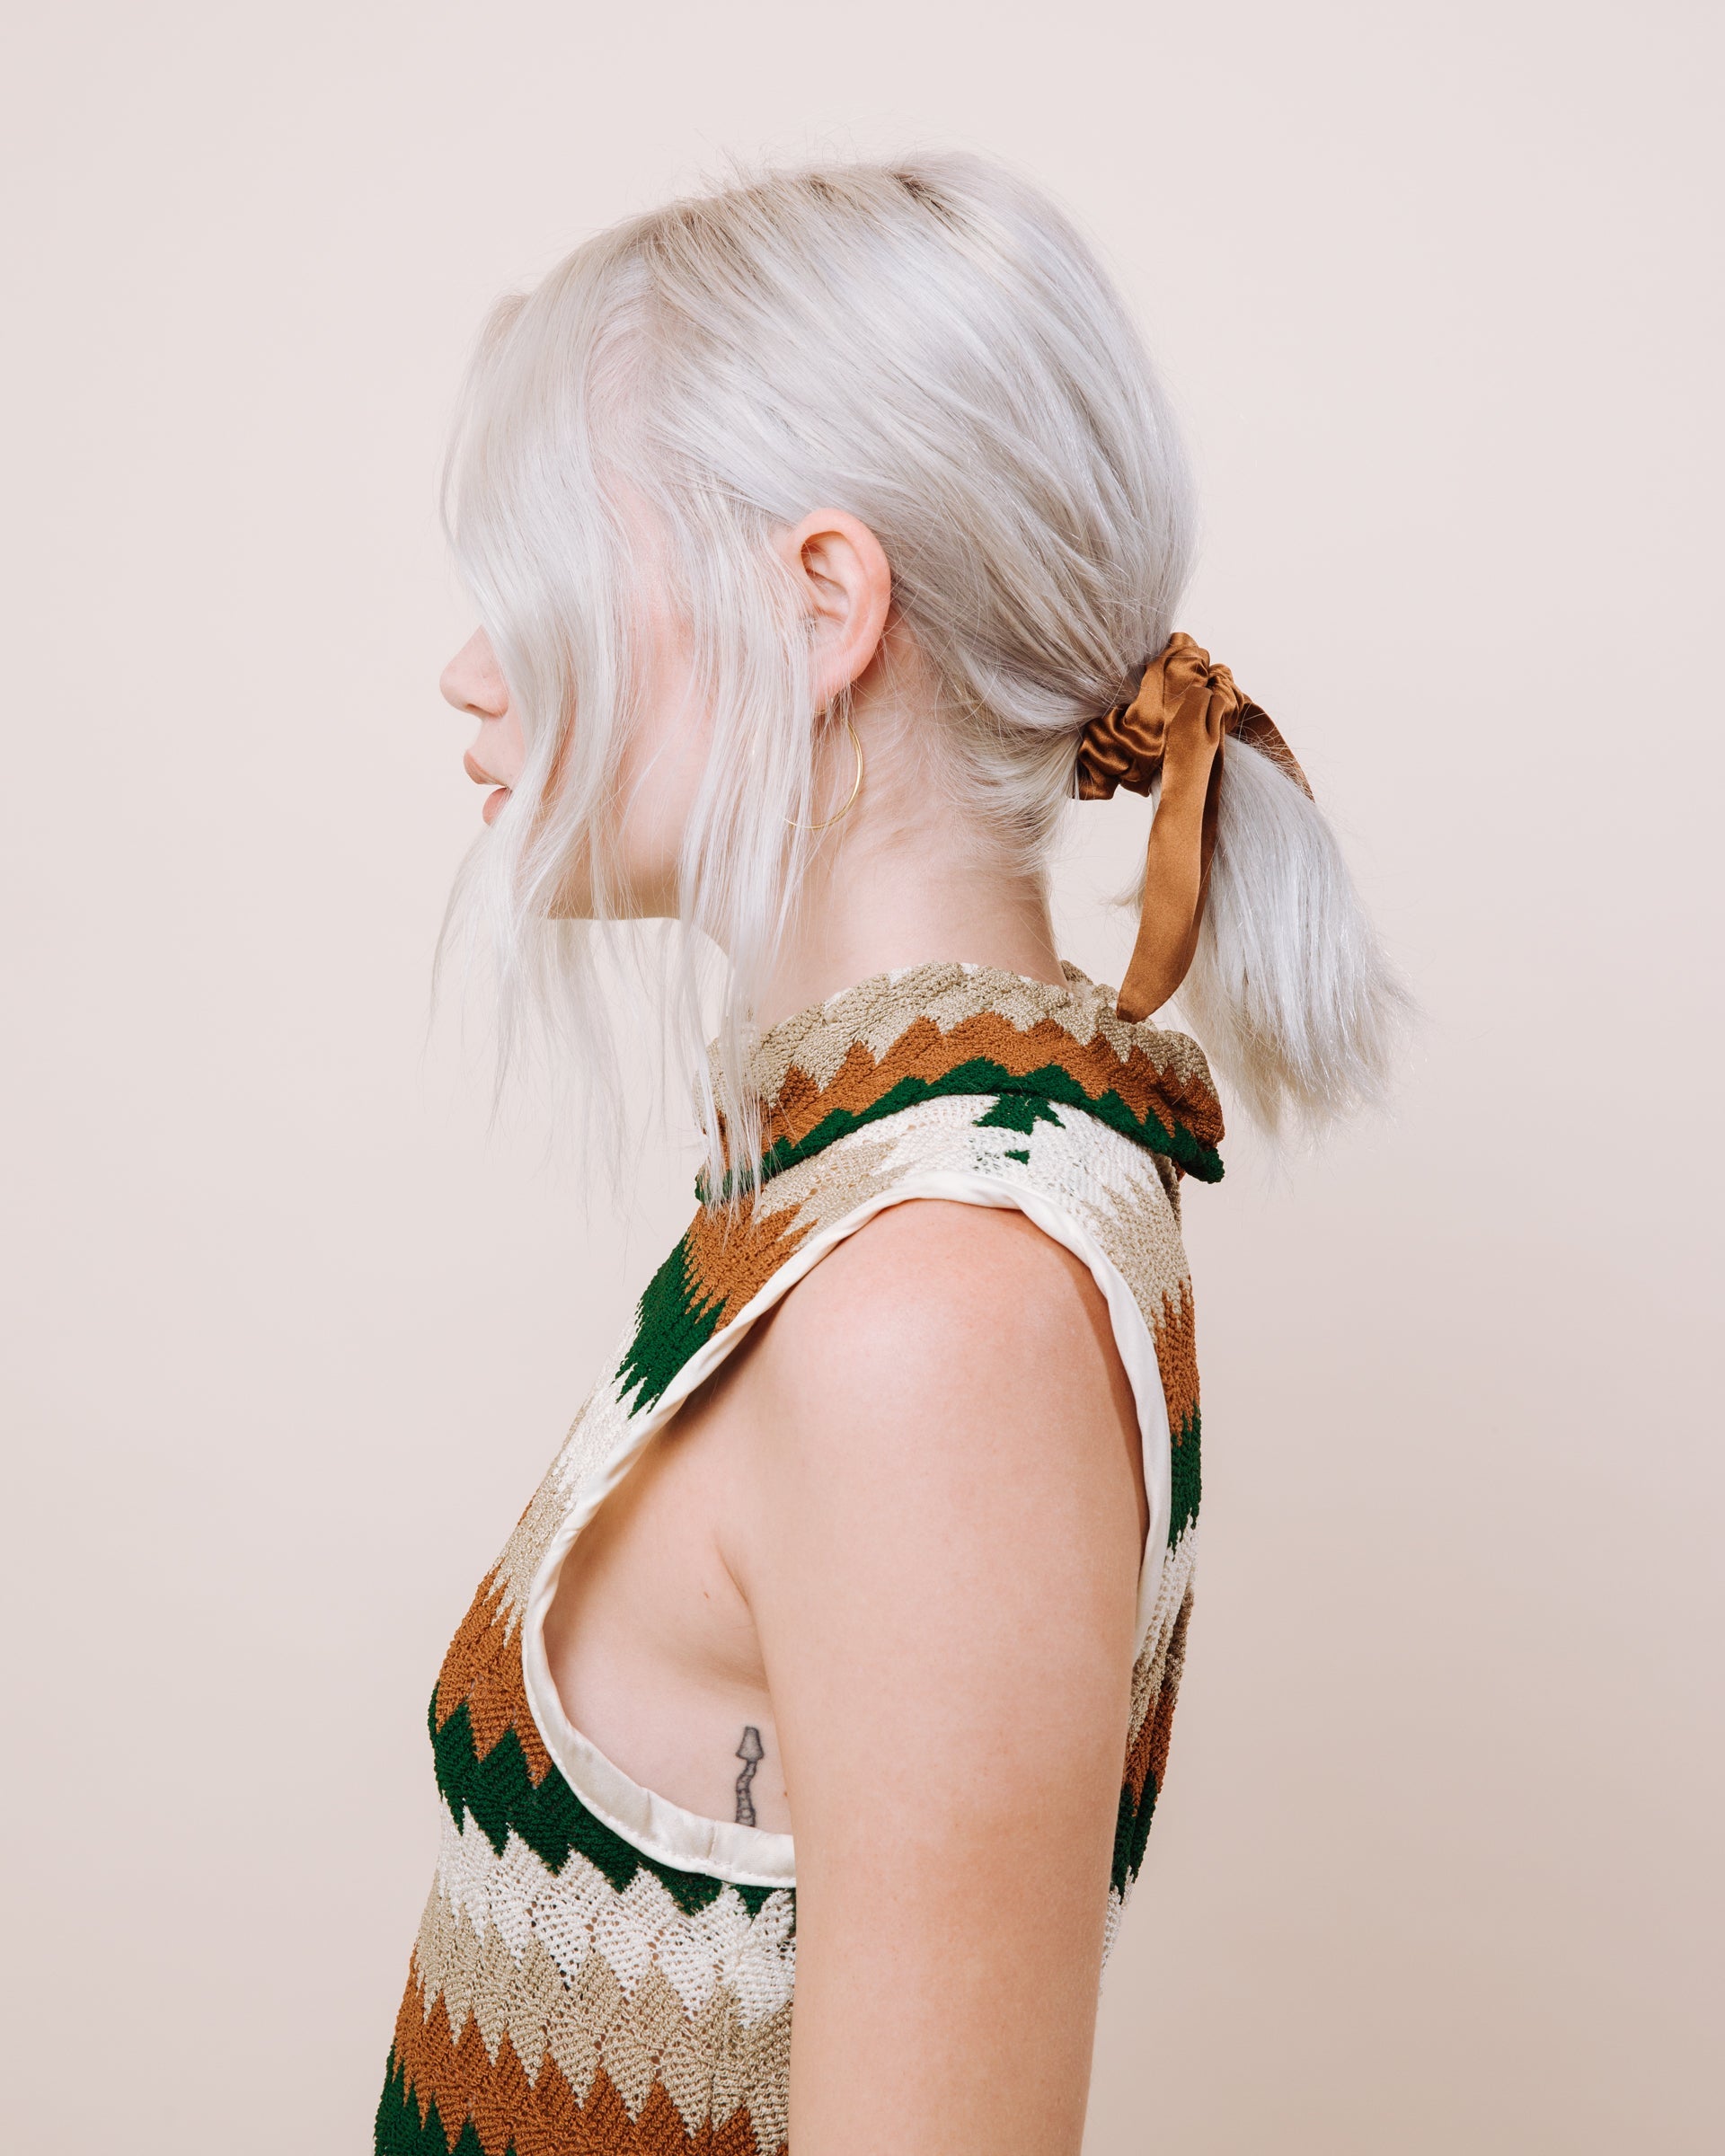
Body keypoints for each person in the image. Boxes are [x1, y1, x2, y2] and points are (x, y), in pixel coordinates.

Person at [376, 155, 1403, 2156]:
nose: (475, 668)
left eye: (546, 568)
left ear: (821, 606)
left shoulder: (935, 1307)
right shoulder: (873, 1192)